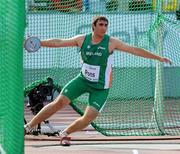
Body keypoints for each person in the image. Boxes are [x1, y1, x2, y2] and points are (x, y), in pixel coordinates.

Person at [24, 16, 172, 146]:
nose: (104, 27)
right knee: (59, 103)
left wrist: (158, 57)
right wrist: (39, 42)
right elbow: (59, 42)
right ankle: (29, 127)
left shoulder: (111, 42)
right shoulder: (82, 39)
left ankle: (65, 132)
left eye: (106, 25)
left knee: (89, 118)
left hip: (101, 88)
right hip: (82, 80)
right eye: (101, 24)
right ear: (93, 26)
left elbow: (135, 50)